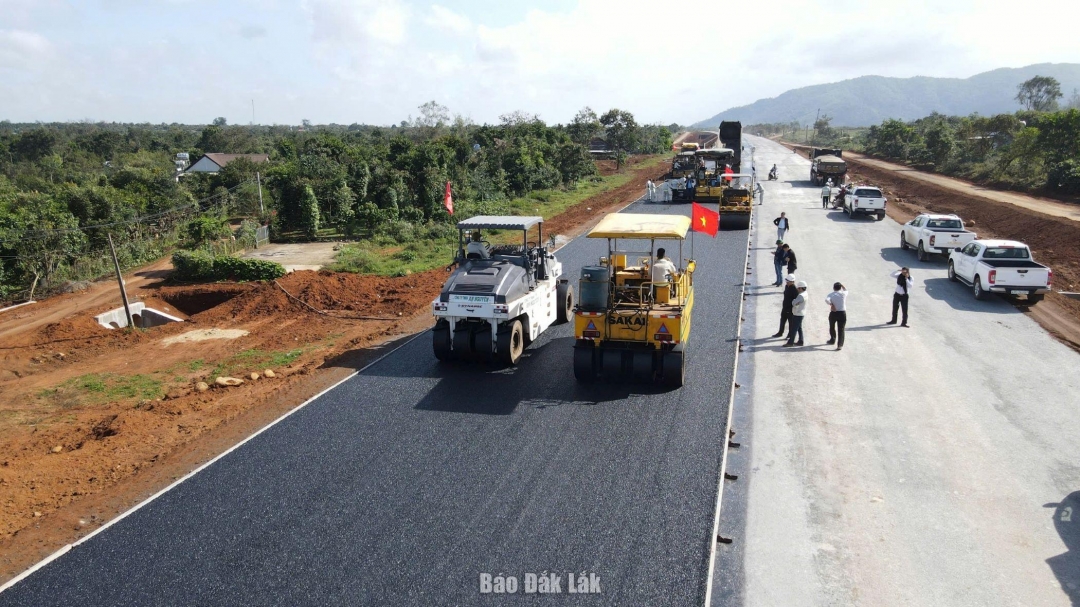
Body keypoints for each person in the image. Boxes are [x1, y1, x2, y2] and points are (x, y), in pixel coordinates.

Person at [783, 281, 808, 347]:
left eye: (798, 288)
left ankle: (790, 342)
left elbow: (793, 303)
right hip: (801, 313)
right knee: (799, 328)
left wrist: (794, 301)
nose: (797, 289)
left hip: (797, 313)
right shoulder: (805, 293)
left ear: (801, 288)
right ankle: (800, 341)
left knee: (794, 329)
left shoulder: (800, 296)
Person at [825, 282, 848, 350]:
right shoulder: (843, 294)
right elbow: (846, 290)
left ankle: (832, 339)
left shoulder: (831, 294)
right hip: (842, 313)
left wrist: (831, 305)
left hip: (834, 313)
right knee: (841, 329)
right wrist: (842, 285)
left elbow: (826, 300)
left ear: (833, 288)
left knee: (832, 326)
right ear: (840, 288)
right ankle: (840, 345)